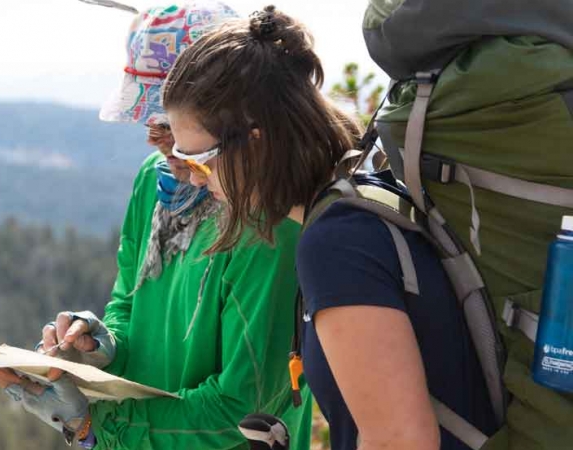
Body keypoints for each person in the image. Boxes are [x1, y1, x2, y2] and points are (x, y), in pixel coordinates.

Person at [0, 2, 314, 449]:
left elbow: (242, 408)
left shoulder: (271, 227)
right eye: (155, 128)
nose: (168, 150)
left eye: (181, 137)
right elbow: (128, 302)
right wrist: (103, 348)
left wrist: (102, 429)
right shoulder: (152, 185)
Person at [161, 5, 498, 450]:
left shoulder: (337, 242)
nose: (194, 178)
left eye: (198, 161)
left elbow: (401, 442)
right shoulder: (364, 193)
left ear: (255, 144)